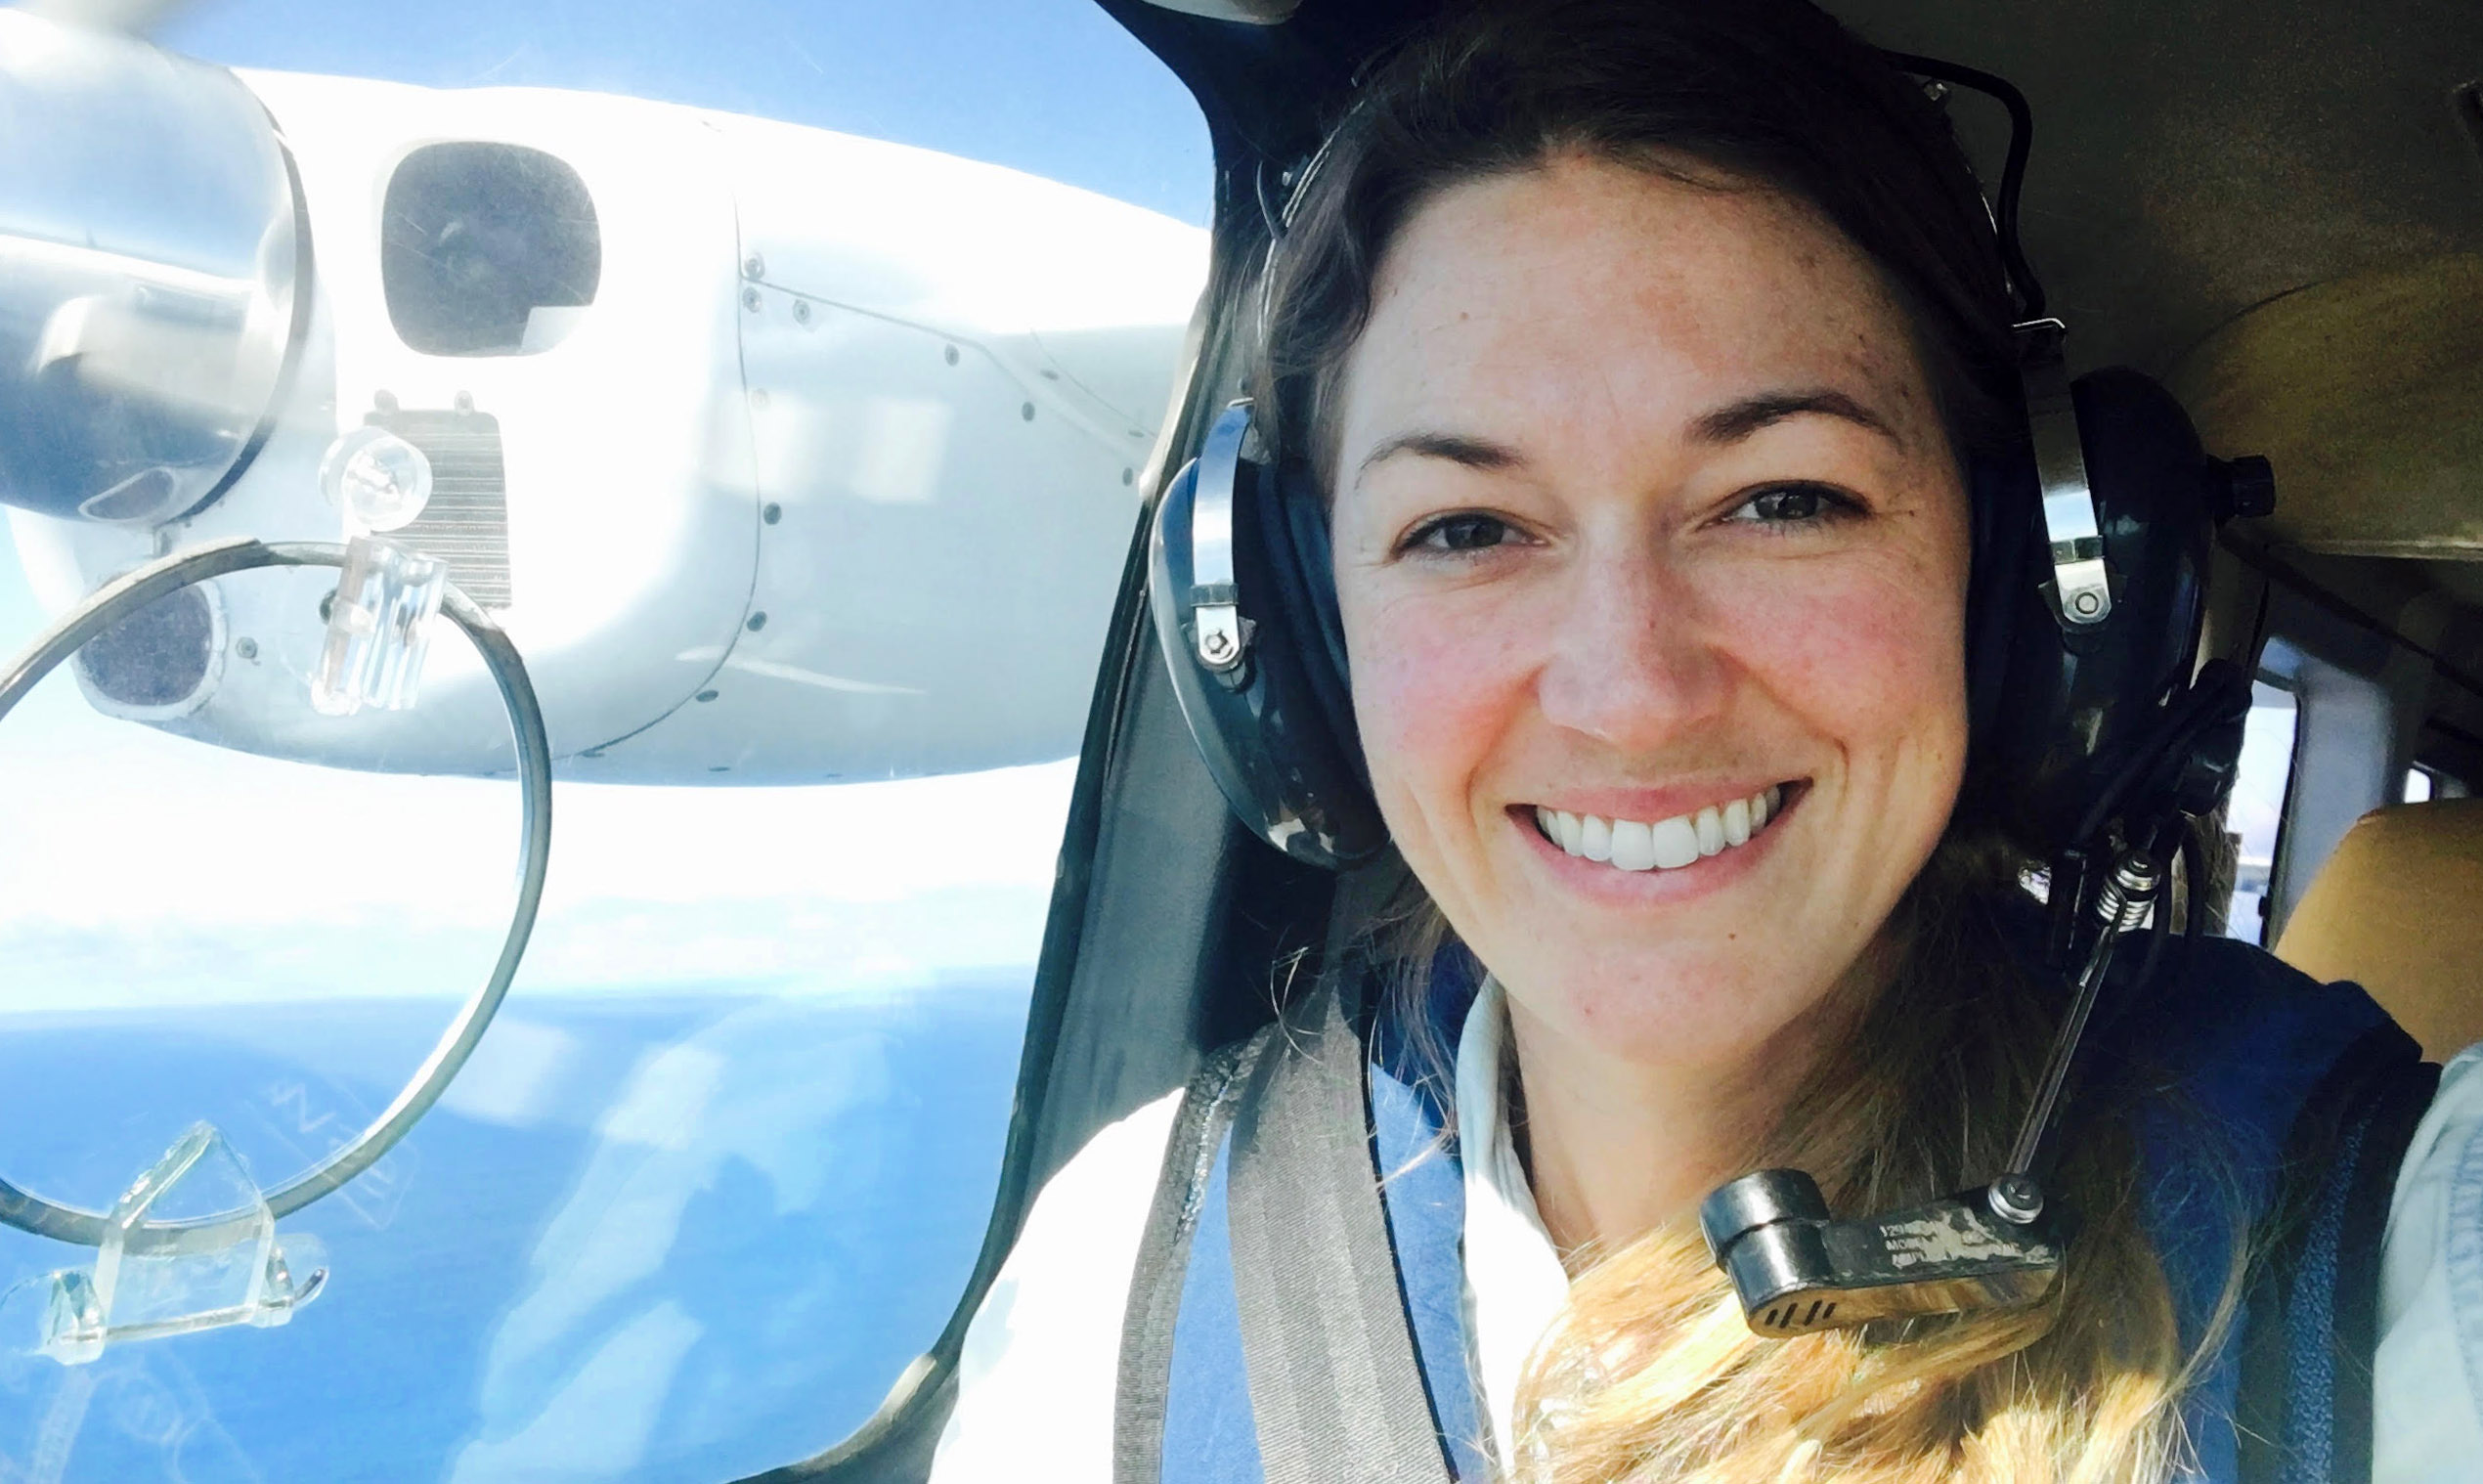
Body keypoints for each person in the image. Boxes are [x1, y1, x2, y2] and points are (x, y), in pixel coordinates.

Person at [929, 2, 2483, 1479]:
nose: (1632, 690)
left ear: (2025, 588)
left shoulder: (2390, 1244)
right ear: (1297, 637)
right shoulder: (1125, 1272)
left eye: (1784, 499)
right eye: (1468, 526)